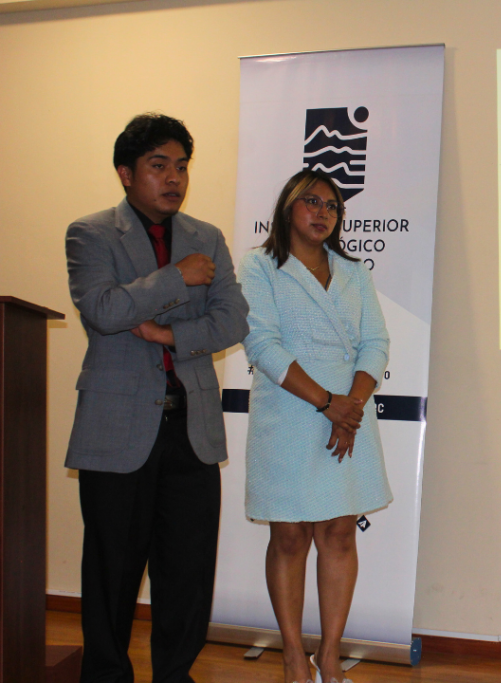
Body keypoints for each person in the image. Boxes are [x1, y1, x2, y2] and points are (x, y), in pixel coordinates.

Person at [65, 112, 249, 683]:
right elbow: (104, 310)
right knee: (112, 571)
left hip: (191, 428)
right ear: (126, 173)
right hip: (116, 427)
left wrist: (169, 335)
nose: (174, 178)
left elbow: (233, 320)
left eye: (182, 166)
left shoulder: (206, 237)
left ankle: (175, 675)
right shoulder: (91, 233)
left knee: (188, 572)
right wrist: (177, 278)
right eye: (159, 165)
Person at [237, 169, 391, 683]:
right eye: (312, 202)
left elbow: (376, 343)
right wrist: (327, 403)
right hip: (290, 411)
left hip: (348, 414)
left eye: (332, 206)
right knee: (289, 535)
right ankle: (290, 655)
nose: (323, 212)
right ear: (288, 208)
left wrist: (350, 407)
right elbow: (261, 344)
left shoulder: (353, 272)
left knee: (340, 532)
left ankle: (329, 654)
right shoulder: (260, 266)